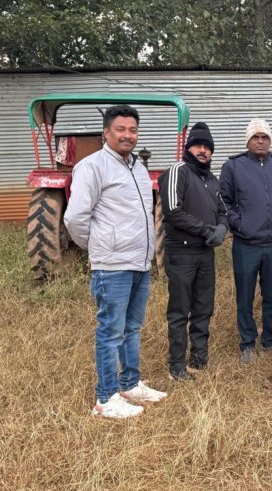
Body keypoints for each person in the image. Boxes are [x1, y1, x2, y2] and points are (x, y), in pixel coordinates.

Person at [65, 104, 167, 419]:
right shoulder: (92, 167)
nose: (127, 135)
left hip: (139, 263)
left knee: (132, 327)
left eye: (132, 130)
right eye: (120, 129)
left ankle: (130, 383)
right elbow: (75, 219)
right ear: (106, 133)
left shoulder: (136, 166)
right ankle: (106, 398)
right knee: (110, 331)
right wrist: (100, 247)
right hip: (113, 266)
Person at [220, 118, 272, 364]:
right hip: (246, 244)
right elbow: (225, 200)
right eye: (256, 137)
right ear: (248, 141)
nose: (261, 141)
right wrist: (238, 223)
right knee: (245, 296)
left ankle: (270, 341)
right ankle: (247, 344)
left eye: (265, 137)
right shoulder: (234, 166)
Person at [158, 122, 228, 381]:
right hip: (182, 254)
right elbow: (173, 211)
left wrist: (221, 228)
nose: (203, 151)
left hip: (205, 254)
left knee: (203, 307)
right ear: (188, 147)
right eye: (198, 145)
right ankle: (176, 366)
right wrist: (205, 230)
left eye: (207, 147)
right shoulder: (179, 171)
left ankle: (199, 359)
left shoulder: (211, 179)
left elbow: (223, 211)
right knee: (179, 310)